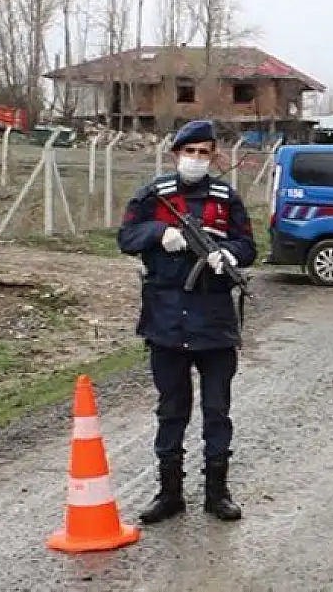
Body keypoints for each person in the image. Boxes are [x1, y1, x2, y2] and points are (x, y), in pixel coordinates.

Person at [117, 120, 257, 524]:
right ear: (175, 153)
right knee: (171, 411)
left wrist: (227, 254)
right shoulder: (152, 195)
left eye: (204, 152)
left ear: (213, 156)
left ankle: (217, 493)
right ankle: (170, 494)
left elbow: (247, 245)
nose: (196, 159)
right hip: (165, 319)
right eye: (189, 151)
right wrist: (160, 233)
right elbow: (125, 238)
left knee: (217, 411)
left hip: (214, 322)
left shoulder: (225, 197)